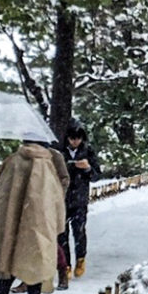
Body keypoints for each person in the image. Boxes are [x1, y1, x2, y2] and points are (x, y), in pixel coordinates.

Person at [0, 141, 69, 294]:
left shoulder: (13, 160)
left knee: (9, 267)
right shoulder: (46, 164)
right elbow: (55, 197)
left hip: (12, 224)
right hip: (37, 224)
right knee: (35, 266)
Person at [59, 119, 100, 278]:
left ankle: (80, 258)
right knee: (61, 234)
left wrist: (87, 168)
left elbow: (96, 175)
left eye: (78, 138)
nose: (75, 141)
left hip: (80, 199)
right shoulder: (60, 152)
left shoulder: (88, 151)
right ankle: (66, 265)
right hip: (62, 198)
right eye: (72, 138)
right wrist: (69, 166)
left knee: (79, 230)